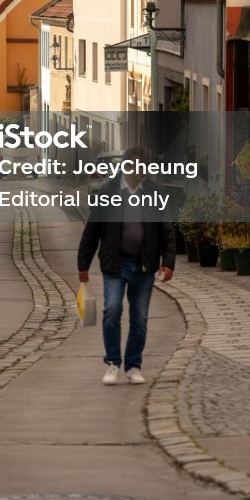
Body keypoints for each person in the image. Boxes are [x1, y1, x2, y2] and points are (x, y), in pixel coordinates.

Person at [77, 146, 176, 386]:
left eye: (143, 166)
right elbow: (93, 230)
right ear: (126, 165)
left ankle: (133, 365)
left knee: (139, 318)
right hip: (115, 263)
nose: (138, 170)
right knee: (112, 310)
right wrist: (83, 264)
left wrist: (168, 263)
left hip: (144, 265)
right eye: (134, 165)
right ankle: (113, 363)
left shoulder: (154, 191)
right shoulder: (108, 191)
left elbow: (166, 229)